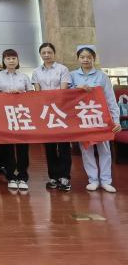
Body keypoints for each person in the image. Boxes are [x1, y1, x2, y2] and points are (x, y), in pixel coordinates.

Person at [70, 46, 121, 193]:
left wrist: (116, 120)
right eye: (82, 57)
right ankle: (93, 180)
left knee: (104, 149)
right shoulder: (72, 75)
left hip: (100, 117)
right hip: (82, 118)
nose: (85, 60)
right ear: (78, 59)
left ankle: (106, 181)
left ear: (94, 59)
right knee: (87, 150)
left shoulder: (102, 76)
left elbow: (111, 100)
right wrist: (76, 88)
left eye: (89, 57)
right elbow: (65, 95)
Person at [32, 43, 72, 192]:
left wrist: (53, 101)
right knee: (49, 147)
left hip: (60, 111)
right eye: (44, 52)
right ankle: (53, 177)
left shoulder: (63, 69)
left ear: (54, 53)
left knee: (63, 146)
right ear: (40, 54)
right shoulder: (36, 72)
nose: (47, 55)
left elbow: (63, 90)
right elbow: (37, 92)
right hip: (45, 113)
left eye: (49, 52)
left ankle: (65, 177)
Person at [0, 49, 33, 191]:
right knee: (7, 146)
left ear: (17, 60)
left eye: (13, 58)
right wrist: (6, 95)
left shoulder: (24, 76)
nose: (11, 61)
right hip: (4, 115)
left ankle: (23, 176)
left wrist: (21, 94)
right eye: (8, 58)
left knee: (23, 147)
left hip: (22, 114)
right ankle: (10, 175)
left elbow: (31, 94)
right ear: (3, 60)